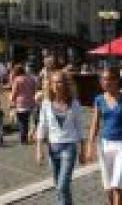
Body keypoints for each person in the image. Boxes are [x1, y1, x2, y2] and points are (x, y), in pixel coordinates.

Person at [86, 67, 122, 205]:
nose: (107, 82)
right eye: (104, 79)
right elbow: (95, 124)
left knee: (118, 185)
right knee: (109, 187)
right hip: (105, 145)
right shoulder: (99, 99)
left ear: (118, 80)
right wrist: (90, 146)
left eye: (110, 79)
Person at [36, 71, 85, 205]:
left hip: (69, 148)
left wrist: (82, 151)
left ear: (65, 84)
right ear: (50, 85)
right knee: (59, 185)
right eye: (54, 82)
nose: (57, 85)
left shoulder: (74, 104)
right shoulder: (46, 104)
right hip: (53, 148)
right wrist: (39, 150)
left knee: (62, 185)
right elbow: (42, 126)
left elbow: (80, 128)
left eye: (60, 82)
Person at [10, 64, 36, 144]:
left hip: (20, 103)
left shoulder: (17, 80)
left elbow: (14, 92)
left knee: (21, 122)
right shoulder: (30, 79)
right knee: (26, 121)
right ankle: (25, 137)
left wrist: (12, 100)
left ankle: (23, 139)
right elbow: (34, 89)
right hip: (30, 102)